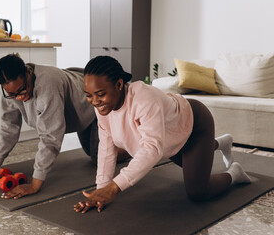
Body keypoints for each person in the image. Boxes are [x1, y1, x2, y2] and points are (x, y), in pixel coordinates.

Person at [74, 56, 251, 213]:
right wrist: (100, 192)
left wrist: (114, 187)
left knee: (198, 191)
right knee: (186, 159)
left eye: (100, 94)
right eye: (89, 95)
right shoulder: (102, 108)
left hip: (195, 124)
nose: (95, 102)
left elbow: (152, 149)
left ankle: (235, 172)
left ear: (119, 84)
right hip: (169, 139)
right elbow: (107, 149)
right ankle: (220, 143)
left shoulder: (144, 98)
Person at [0, 53, 100, 199]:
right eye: (13, 94)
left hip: (95, 105)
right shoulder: (10, 91)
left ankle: (126, 146)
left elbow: (50, 137)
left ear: (28, 73)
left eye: (23, 89)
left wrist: (35, 184)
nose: (20, 97)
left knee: (100, 159)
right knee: (92, 156)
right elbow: (8, 127)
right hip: (79, 117)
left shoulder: (48, 83)